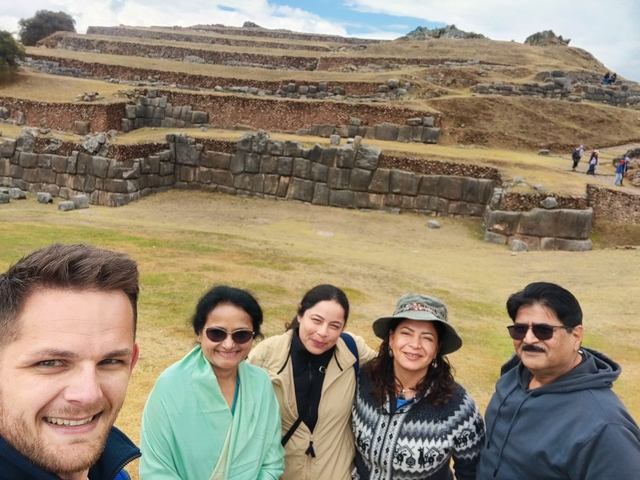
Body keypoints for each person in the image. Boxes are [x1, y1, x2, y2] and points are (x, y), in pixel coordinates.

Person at [0, 243, 141, 480]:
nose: (89, 394)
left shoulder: (113, 472)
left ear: (131, 363)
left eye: (110, 361)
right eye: (51, 363)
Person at [477, 282, 640, 479]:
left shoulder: (605, 426)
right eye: (519, 329)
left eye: (543, 330)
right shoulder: (514, 374)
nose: (528, 339)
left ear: (576, 336)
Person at [139, 286, 284, 479]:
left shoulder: (261, 383)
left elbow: (272, 460)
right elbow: (156, 470)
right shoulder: (170, 386)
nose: (229, 344)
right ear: (199, 333)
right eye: (217, 333)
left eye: (241, 334)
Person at [248, 284, 376, 480]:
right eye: (316, 320)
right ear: (300, 314)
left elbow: (395, 371)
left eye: (334, 326)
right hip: (280, 475)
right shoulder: (266, 355)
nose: (323, 332)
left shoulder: (353, 350)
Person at [352, 293, 485, 480]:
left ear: (437, 347)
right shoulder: (364, 381)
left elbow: (473, 472)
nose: (415, 345)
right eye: (406, 333)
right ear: (391, 338)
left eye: (427, 338)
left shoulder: (459, 408)